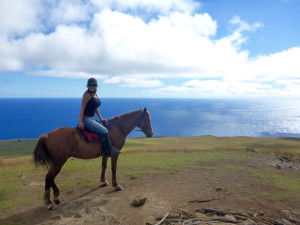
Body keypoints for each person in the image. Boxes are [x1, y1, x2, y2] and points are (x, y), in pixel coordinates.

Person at [78, 77, 120, 157]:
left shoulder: (95, 95)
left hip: (91, 119)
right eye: (90, 85)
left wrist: (101, 118)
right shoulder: (87, 95)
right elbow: (82, 108)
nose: (92, 86)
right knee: (104, 131)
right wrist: (80, 122)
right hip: (86, 119)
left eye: (94, 85)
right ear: (88, 86)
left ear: (97, 86)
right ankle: (107, 151)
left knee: (107, 124)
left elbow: (96, 107)